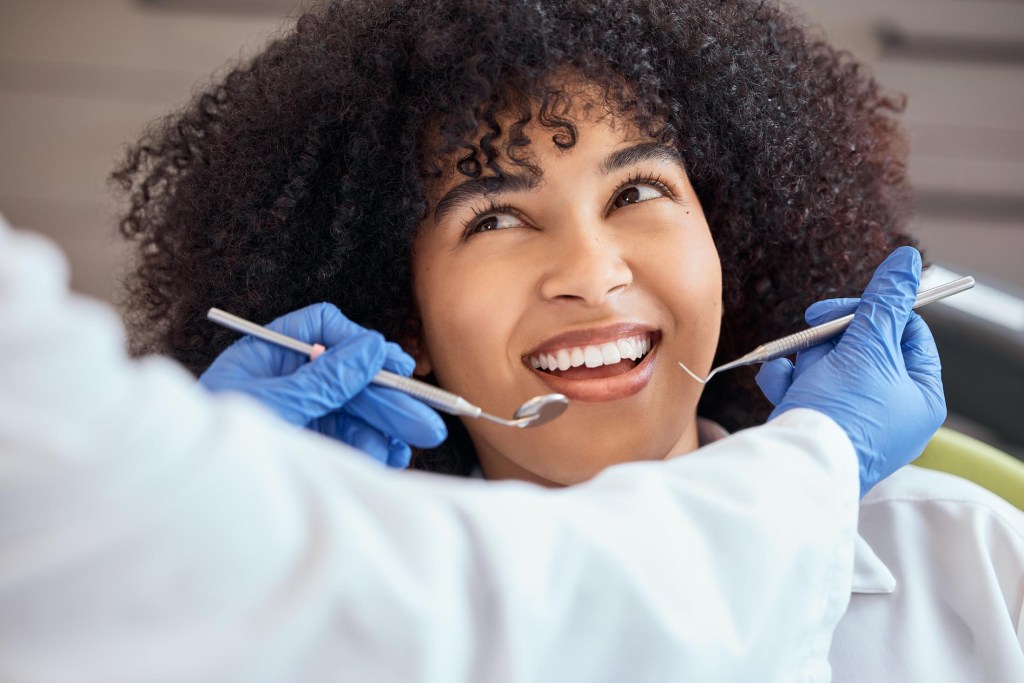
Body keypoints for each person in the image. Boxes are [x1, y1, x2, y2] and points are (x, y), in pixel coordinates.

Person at [110, 0, 1023, 680]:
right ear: (401, 320)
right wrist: (197, 561)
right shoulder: (319, 625)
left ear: (727, 243)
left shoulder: (970, 562)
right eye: (497, 216)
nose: (591, 271)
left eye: (635, 193)